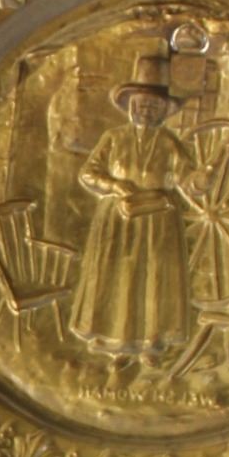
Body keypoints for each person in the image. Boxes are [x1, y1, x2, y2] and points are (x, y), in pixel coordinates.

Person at [67, 52, 194, 362]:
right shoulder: (114, 138)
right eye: (141, 104)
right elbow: (88, 173)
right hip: (118, 217)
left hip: (157, 219)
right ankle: (111, 338)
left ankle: (151, 341)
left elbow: (186, 178)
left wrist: (202, 179)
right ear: (131, 106)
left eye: (153, 106)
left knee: (153, 276)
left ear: (163, 110)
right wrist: (114, 185)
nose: (146, 110)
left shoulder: (169, 142)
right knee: (118, 273)